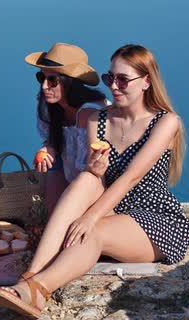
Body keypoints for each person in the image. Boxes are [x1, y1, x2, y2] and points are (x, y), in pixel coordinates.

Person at [0, 44, 189, 319]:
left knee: (92, 231)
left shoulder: (165, 122)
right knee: (87, 178)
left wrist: (89, 217)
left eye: (123, 79)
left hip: (152, 218)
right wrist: (95, 170)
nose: (114, 86)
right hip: (112, 207)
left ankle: (40, 289)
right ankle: (30, 276)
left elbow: (130, 178)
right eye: (110, 78)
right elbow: (97, 180)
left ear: (147, 81)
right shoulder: (97, 120)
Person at [26, 42, 110, 214]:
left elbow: (88, 170)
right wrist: (50, 147)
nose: (44, 86)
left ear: (70, 83)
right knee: (53, 167)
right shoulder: (49, 105)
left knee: (62, 222)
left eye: (52, 80)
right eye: (42, 78)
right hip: (69, 173)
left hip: (98, 184)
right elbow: (55, 140)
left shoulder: (89, 113)